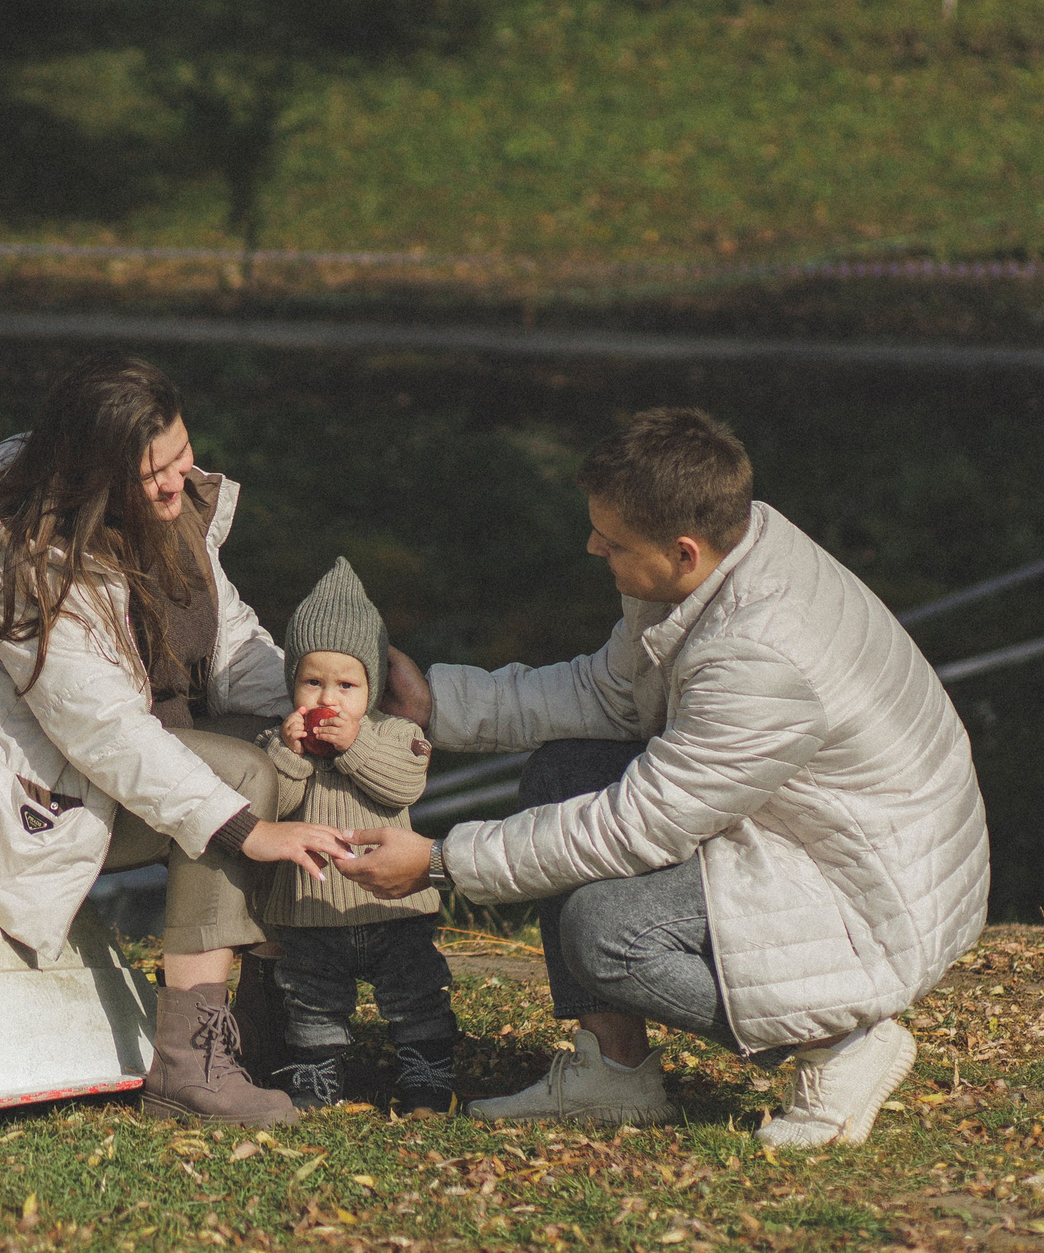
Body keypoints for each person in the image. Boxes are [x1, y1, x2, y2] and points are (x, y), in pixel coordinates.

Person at [346, 408, 988, 1147]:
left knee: (607, 933)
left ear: (682, 550)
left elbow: (638, 823)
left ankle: (839, 1046)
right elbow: (611, 696)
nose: (593, 547)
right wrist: (437, 704)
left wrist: (438, 860)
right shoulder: (718, 561)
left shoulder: (758, 655)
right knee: (565, 769)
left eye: (612, 541)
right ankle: (615, 1075)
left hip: (871, 882)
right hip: (808, 821)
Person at [0, 354, 354, 1129]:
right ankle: (188, 1062)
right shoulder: (26, 568)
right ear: (93, 479)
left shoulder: (167, 514)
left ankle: (270, 1019)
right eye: (154, 474)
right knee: (236, 781)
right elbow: (101, 730)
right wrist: (250, 826)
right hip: (32, 780)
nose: (178, 481)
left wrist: (303, 708)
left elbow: (227, 632)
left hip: (121, 751)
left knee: (278, 749)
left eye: (181, 456)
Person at [253, 558, 458, 1117]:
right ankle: (317, 1079)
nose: (329, 699)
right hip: (311, 906)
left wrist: (353, 746)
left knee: (416, 994)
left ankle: (426, 1076)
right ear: (292, 681)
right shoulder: (280, 740)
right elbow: (271, 809)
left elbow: (403, 787)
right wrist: (289, 759)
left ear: (371, 685)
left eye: (347, 685)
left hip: (396, 906)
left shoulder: (396, 733)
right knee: (312, 1001)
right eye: (312, 682)